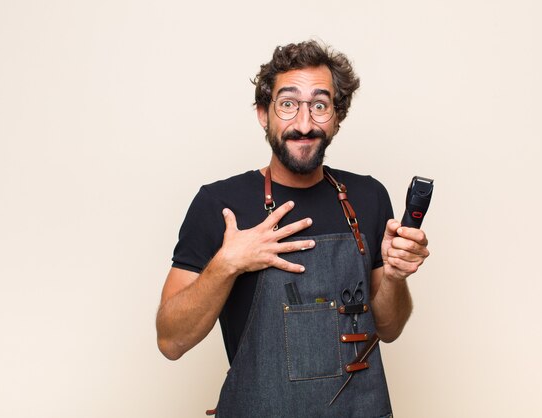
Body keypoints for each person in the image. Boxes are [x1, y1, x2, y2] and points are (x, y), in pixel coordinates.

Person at [156, 40, 430, 418]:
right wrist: (227, 263)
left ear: (337, 116)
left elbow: (389, 327)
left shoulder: (368, 196)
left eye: (320, 105)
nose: (304, 124)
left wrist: (396, 277)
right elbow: (171, 341)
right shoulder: (218, 204)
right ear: (262, 113)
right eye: (288, 104)